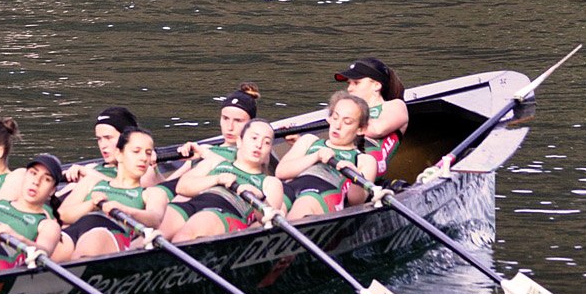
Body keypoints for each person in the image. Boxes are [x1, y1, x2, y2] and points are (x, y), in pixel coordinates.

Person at [160, 84, 260, 236]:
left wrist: (205, 154)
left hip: (215, 206)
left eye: (238, 121)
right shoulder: (205, 148)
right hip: (183, 198)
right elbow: (170, 183)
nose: (230, 127)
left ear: (251, 125)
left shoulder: (251, 154)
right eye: (225, 118)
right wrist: (151, 166)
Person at [58, 126, 172, 260]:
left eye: (148, 153)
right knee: (54, 243)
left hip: (108, 233)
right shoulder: (91, 182)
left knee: (92, 239)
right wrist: (91, 204)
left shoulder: (152, 192)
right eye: (136, 151)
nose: (143, 158)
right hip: (74, 230)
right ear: (119, 154)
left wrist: (123, 209)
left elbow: (155, 218)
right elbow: (62, 215)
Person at [168, 120, 286, 243]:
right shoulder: (215, 162)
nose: (259, 145)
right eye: (254, 138)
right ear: (239, 141)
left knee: (183, 237)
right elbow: (181, 187)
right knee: (160, 225)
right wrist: (217, 179)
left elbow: (266, 218)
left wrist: (257, 196)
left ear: (269, 149)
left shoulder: (270, 182)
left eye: (266, 142)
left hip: (225, 211)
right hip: (194, 203)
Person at [277, 91, 378, 220]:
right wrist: (316, 156)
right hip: (292, 186)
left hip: (323, 193)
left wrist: (355, 176)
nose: (337, 125)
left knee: (303, 205)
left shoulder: (365, 160)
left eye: (347, 122)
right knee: (273, 204)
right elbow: (281, 172)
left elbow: (356, 202)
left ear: (361, 129)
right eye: (335, 118)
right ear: (329, 118)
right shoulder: (308, 140)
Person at [335, 57, 409, 174]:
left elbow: (378, 129)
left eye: (356, 83)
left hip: (363, 171)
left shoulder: (395, 105)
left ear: (376, 85)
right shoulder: (347, 114)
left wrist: (344, 117)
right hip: (340, 159)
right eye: (349, 83)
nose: (349, 89)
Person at [66, 106, 138, 182]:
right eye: (99, 139)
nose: (103, 145)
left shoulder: (143, 169)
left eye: (108, 138)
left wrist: (93, 175)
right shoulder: (91, 167)